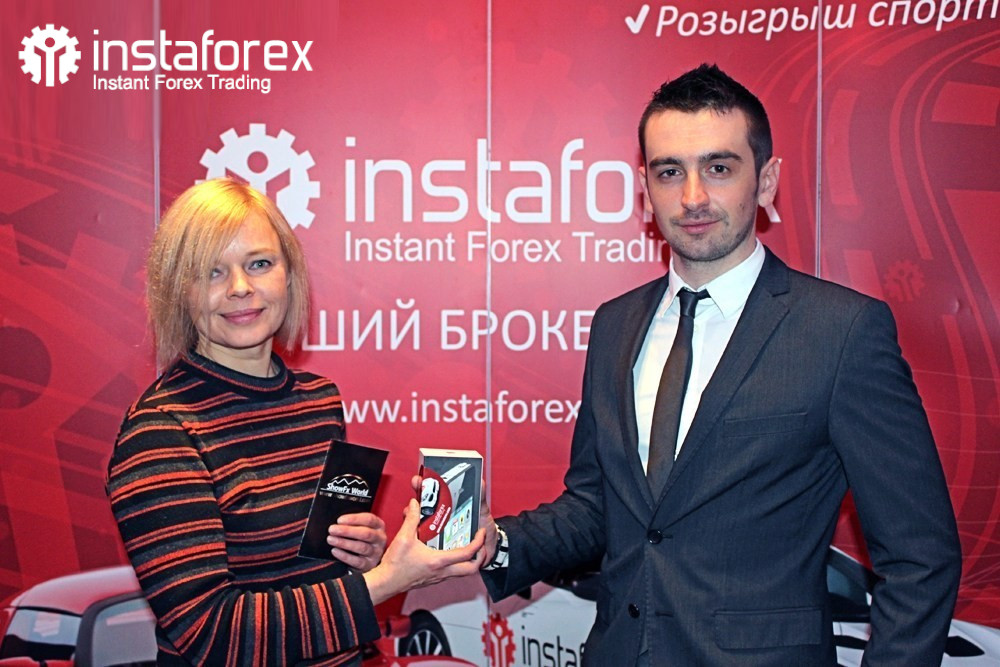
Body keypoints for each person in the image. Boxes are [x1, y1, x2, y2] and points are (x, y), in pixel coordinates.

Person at [477, 64, 962, 665]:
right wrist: (494, 542)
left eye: (718, 168)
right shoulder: (614, 325)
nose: (693, 197)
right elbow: (598, 505)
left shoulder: (842, 332)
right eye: (669, 172)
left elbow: (920, 557)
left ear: (766, 180)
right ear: (645, 188)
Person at [106, 178, 485, 666]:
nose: (240, 288)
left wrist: (361, 556)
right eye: (211, 271)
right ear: (180, 289)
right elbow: (212, 634)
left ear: (289, 273)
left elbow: (312, 575)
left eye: (259, 263)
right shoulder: (160, 431)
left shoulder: (319, 400)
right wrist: (386, 581)